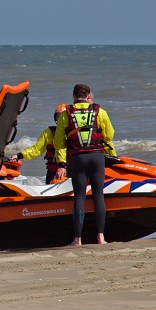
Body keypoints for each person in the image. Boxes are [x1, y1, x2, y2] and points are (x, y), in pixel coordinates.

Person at [53, 84, 115, 247]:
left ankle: (77, 239)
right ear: (88, 96)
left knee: (80, 196)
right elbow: (109, 135)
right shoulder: (100, 112)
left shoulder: (66, 113)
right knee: (98, 195)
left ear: (74, 97)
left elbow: (58, 142)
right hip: (96, 157)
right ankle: (101, 237)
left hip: (78, 158)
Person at [7, 104, 67, 183]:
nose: (60, 119)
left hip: (69, 170)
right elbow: (36, 149)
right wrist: (19, 155)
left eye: (63, 116)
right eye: (58, 116)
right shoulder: (49, 133)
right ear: (55, 118)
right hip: (52, 172)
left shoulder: (73, 133)